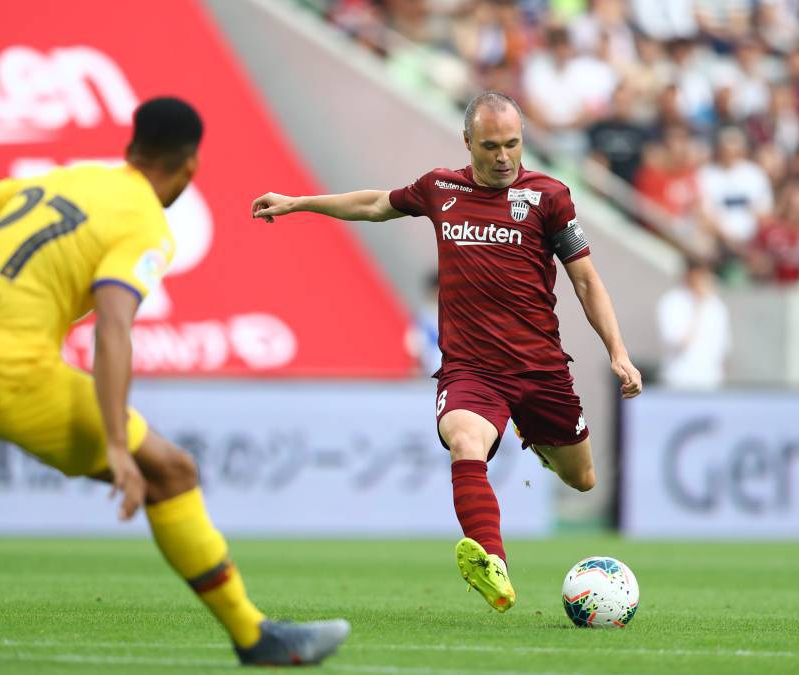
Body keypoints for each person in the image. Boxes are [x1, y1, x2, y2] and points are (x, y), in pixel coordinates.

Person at [0, 98, 348, 667]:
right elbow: (113, 327)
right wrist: (114, 442)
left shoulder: (67, 178)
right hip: (2, 368)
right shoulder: (144, 223)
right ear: (190, 168)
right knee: (169, 471)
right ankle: (257, 637)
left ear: (131, 148)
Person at [250, 91, 642, 613]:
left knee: (583, 479)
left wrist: (617, 351)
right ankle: (494, 565)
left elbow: (587, 282)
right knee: (464, 439)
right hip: (471, 369)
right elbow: (373, 205)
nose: (504, 157)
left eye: (513, 145)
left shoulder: (550, 197)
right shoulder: (440, 188)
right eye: (491, 146)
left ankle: (528, 431)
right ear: (467, 143)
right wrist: (299, 203)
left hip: (541, 369)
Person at [656, 257, 730, 390]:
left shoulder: (716, 305)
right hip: (678, 380)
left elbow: (723, 346)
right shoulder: (671, 302)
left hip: (710, 381)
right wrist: (698, 308)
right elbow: (675, 341)